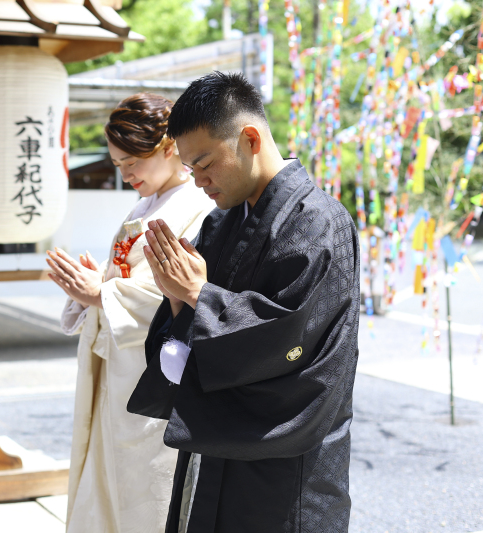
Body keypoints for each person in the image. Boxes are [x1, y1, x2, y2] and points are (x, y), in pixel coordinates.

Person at [127, 72, 360, 532]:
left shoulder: (317, 223)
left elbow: (288, 340)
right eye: (191, 170)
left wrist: (196, 293)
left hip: (285, 468)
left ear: (249, 138)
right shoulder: (220, 225)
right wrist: (177, 299)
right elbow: (185, 335)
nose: (200, 182)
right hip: (214, 453)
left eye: (206, 164)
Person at [47, 93, 215, 533]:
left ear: (167, 147)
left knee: (147, 490)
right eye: (118, 164)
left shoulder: (197, 207)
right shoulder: (145, 205)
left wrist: (101, 293)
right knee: (108, 480)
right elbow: (130, 278)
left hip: (152, 375)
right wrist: (94, 285)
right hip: (116, 371)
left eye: (131, 162)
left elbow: (181, 294)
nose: (125, 174)